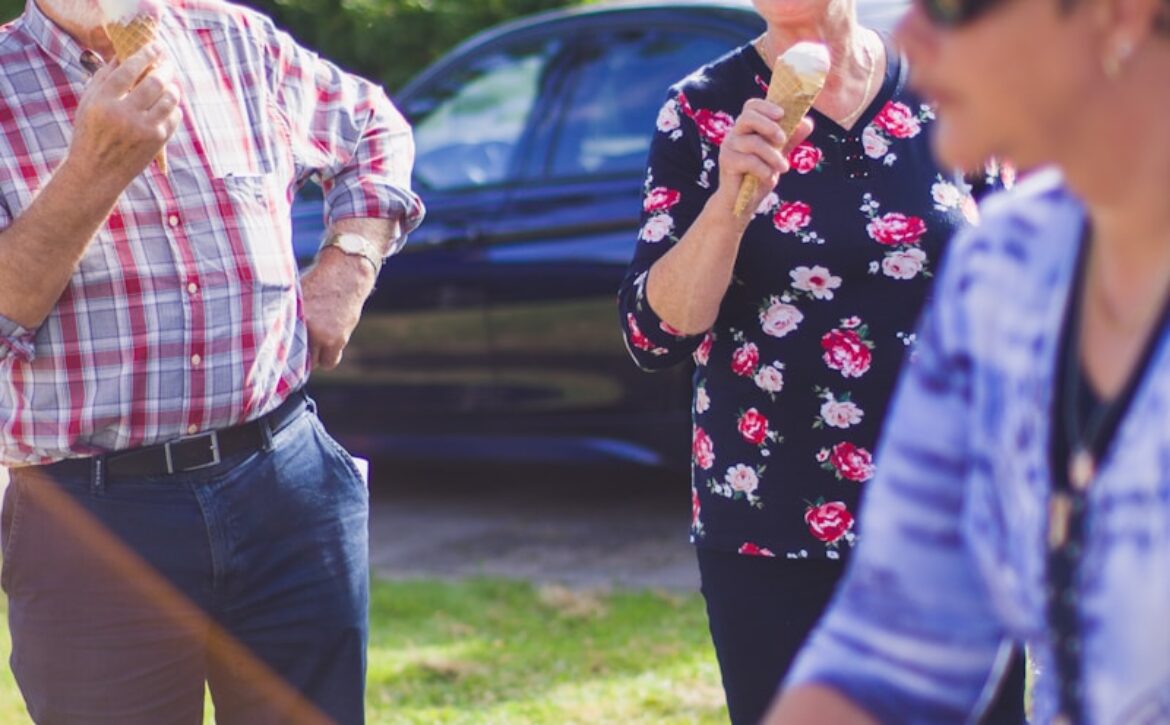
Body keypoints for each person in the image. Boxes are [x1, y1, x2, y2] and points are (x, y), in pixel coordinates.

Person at [0, 0, 423, 721]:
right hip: (91, 513)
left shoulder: (232, 36)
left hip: (287, 477)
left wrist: (347, 266)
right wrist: (92, 168)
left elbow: (374, 125)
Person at [616, 1, 1022, 723]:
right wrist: (729, 205)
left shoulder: (952, 89)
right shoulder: (700, 110)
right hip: (772, 527)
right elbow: (655, 336)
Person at [763, 0, 1170, 719]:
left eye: (952, 5)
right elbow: (890, 645)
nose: (911, 33)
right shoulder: (1004, 262)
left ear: (1123, 14)